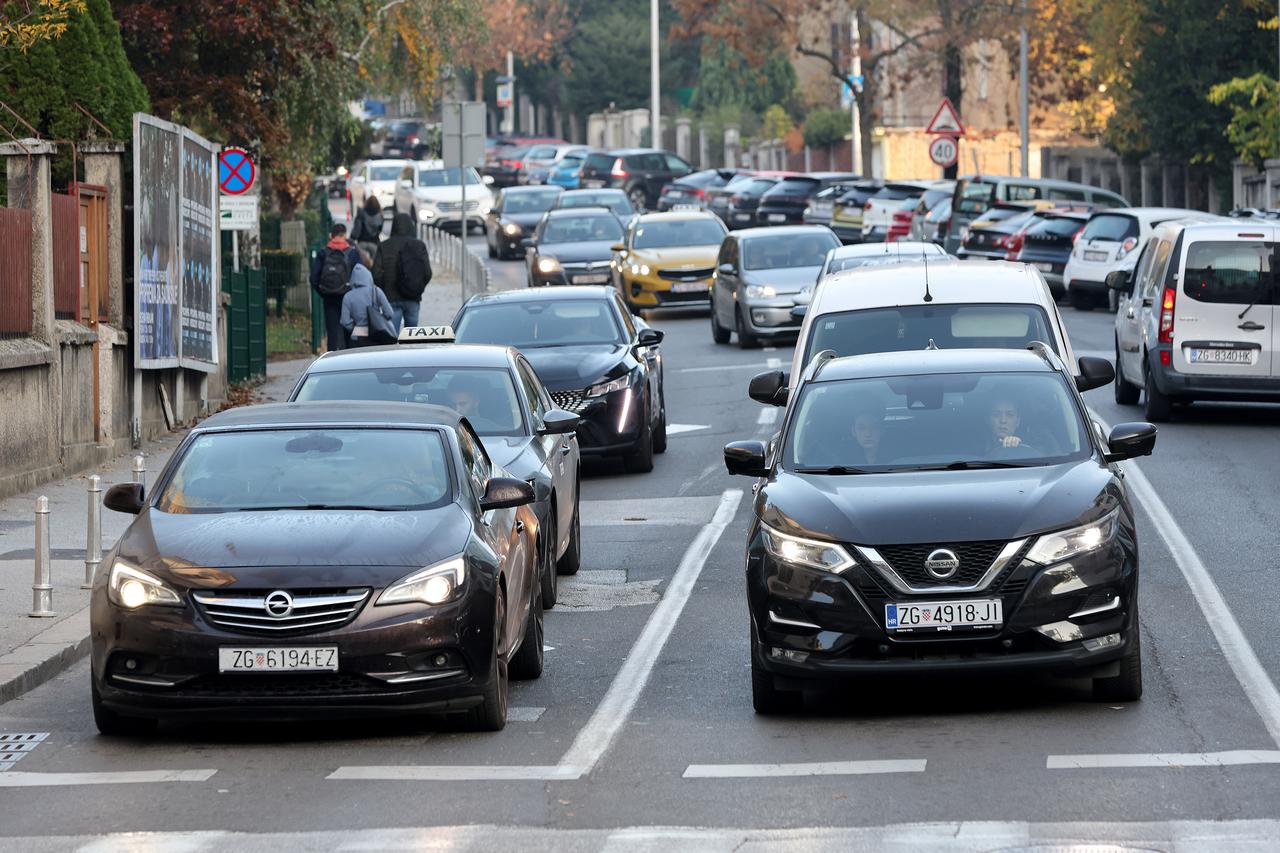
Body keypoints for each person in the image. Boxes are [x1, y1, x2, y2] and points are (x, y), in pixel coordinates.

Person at [373, 212, 433, 331]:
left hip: (391, 297)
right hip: (413, 296)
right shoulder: (419, 245)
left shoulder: (384, 246)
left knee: (392, 336)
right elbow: (428, 273)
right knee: (412, 337)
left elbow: (376, 274)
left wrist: (385, 288)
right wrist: (418, 287)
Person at [310, 224, 360, 351]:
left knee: (332, 334)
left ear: (331, 235)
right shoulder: (352, 253)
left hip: (329, 298)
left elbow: (314, 278)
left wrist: (324, 292)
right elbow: (360, 274)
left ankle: (331, 361)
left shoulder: (323, 253)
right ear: (344, 235)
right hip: (348, 297)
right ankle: (348, 358)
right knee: (348, 330)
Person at [339, 264, 394, 347]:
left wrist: (355, 329)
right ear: (368, 276)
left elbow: (345, 321)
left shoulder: (348, 296)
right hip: (377, 335)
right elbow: (389, 313)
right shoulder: (376, 291)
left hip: (357, 338)